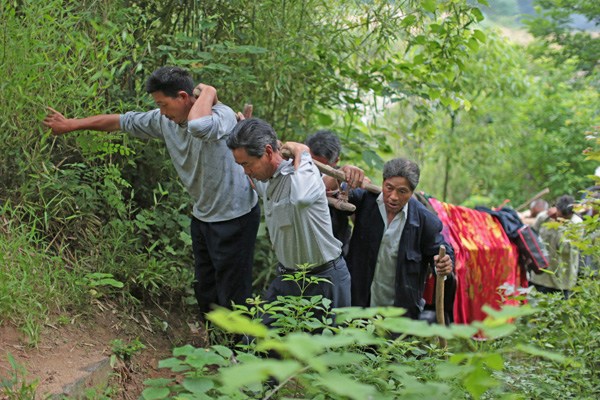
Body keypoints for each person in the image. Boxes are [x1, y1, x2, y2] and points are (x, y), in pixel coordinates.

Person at [42, 66, 260, 322]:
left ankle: (241, 353)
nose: (162, 112)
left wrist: (209, 92)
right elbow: (119, 121)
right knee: (206, 290)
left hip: (236, 215)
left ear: (182, 96)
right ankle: (218, 348)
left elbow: (199, 126)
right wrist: (71, 124)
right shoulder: (164, 120)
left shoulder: (220, 115)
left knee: (233, 290)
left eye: (164, 104)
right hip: (203, 216)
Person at [225, 118, 352, 313]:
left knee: (323, 343)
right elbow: (255, 182)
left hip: (324, 280)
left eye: (248, 164)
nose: (245, 172)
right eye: (241, 165)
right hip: (288, 278)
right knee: (257, 341)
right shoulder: (265, 180)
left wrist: (302, 151)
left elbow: (301, 198)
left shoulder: (303, 175)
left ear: (268, 152)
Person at [345, 157, 454, 320]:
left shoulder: (425, 221)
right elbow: (332, 193)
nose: (393, 197)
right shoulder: (365, 202)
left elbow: (442, 252)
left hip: (399, 316)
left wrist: (445, 263)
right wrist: (344, 173)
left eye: (402, 191)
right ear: (383, 183)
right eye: (389, 188)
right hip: (358, 308)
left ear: (411, 192)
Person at [305, 130, 361, 256]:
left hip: (335, 252)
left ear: (336, 161)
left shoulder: (345, 184)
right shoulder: (296, 173)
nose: (315, 170)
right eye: (313, 163)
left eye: (322, 166)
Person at [529, 195, 583, 299]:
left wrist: (558, 226)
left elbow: (566, 249)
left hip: (562, 278)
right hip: (541, 276)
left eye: (565, 217)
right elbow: (532, 236)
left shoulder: (577, 224)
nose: (561, 218)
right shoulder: (543, 217)